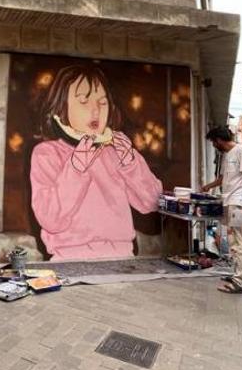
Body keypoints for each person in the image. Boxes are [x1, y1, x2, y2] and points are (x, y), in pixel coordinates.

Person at [30, 64, 163, 261]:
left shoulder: (116, 153)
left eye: (102, 102)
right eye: (84, 101)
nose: (96, 111)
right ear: (61, 107)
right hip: (69, 258)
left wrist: (130, 161)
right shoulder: (46, 154)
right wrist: (76, 167)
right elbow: (50, 219)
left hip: (121, 256)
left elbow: (152, 202)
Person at [201, 125, 242, 294]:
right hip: (229, 201)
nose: (213, 145)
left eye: (213, 142)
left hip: (239, 202)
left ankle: (240, 282)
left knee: (238, 242)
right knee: (240, 242)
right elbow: (222, 178)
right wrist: (207, 187)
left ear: (218, 140)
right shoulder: (227, 156)